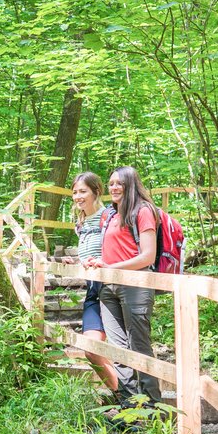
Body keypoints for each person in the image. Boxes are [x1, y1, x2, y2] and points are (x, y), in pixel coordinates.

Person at [84, 165, 161, 407]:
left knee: (138, 346)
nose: (114, 187)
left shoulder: (143, 211)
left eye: (119, 183)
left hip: (135, 286)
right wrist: (102, 263)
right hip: (109, 288)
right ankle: (130, 409)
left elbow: (147, 256)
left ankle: (151, 409)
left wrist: (112, 268)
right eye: (111, 183)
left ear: (131, 184)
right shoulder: (110, 215)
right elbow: (114, 253)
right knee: (118, 350)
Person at [62, 172, 118, 393]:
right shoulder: (81, 222)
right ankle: (122, 396)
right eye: (75, 192)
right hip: (93, 290)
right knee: (90, 349)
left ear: (96, 191)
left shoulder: (110, 217)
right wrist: (77, 260)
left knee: (121, 350)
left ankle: (131, 403)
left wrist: (105, 262)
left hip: (112, 288)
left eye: (83, 191)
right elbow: (91, 254)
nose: (78, 196)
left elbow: (121, 251)